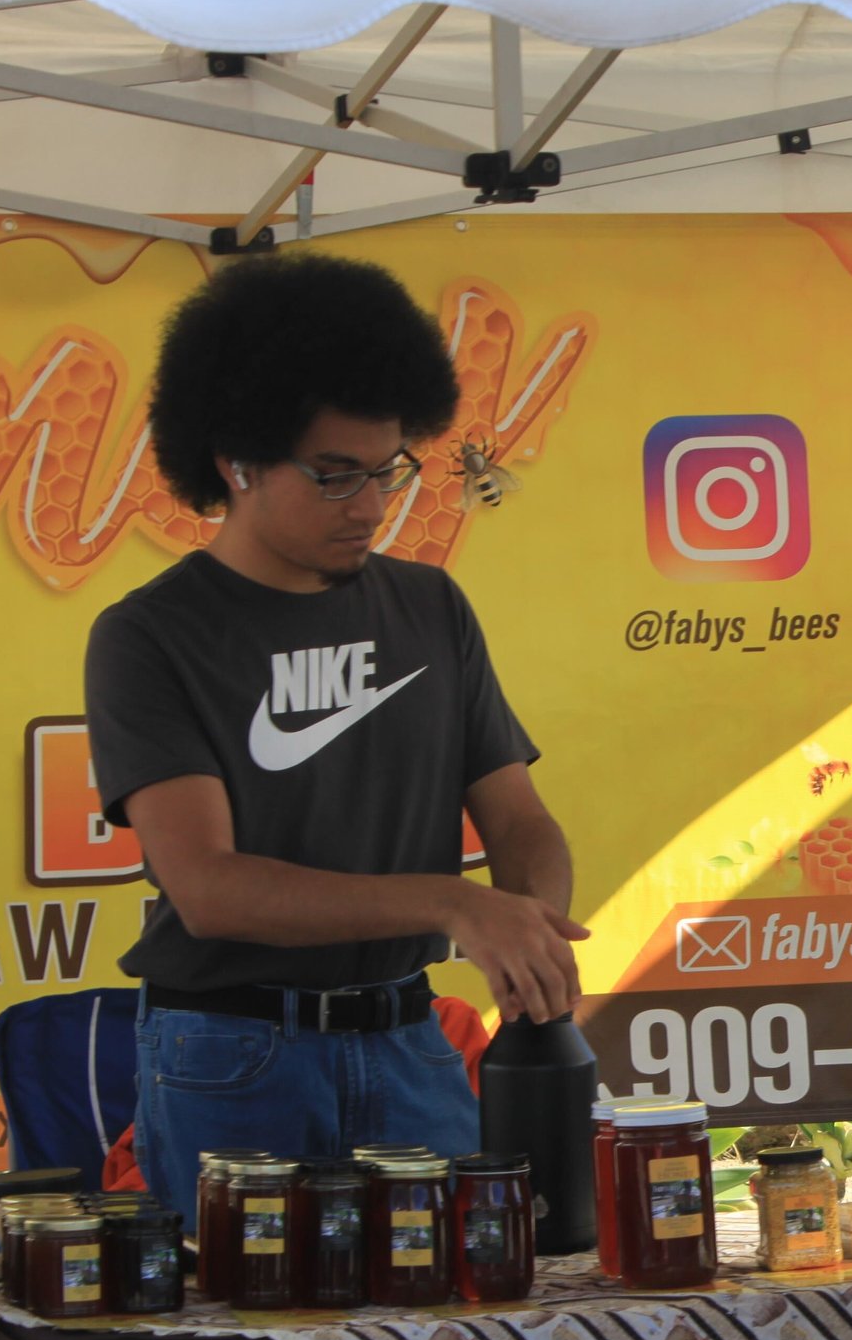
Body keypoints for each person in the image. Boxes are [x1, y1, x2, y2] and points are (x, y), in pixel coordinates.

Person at [85, 252, 585, 1223]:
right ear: (236, 460)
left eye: (389, 469)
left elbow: (521, 821)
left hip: (409, 1039)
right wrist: (454, 904)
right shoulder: (150, 637)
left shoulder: (430, 606)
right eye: (334, 474)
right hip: (234, 1055)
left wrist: (530, 928)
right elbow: (208, 885)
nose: (369, 503)